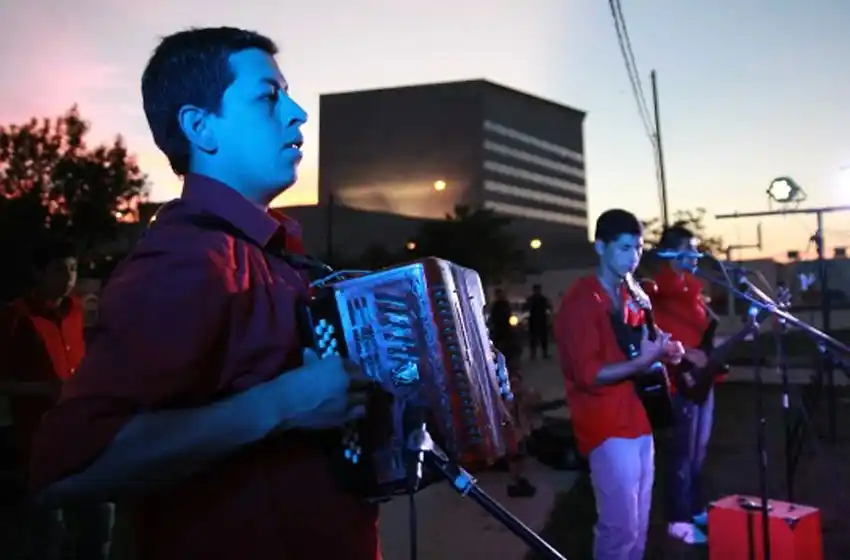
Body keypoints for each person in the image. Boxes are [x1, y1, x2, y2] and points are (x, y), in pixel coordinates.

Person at [29, 27, 379, 560]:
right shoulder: (186, 262)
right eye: (268, 96)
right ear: (200, 126)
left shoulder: (277, 254)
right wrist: (281, 404)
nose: (296, 114)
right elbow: (67, 468)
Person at [554, 209, 685, 560]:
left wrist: (664, 351)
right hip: (606, 426)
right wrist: (643, 360)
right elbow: (589, 374)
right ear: (600, 247)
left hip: (640, 420)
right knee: (618, 528)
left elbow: (637, 348)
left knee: (639, 526)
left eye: (639, 248)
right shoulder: (581, 302)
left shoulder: (631, 297)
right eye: (624, 248)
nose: (633, 257)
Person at [0, 237, 113, 559]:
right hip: (38, 440)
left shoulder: (77, 310)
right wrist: (45, 388)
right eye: (59, 271)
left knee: (100, 519)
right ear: (38, 272)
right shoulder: (16, 317)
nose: (68, 279)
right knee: (48, 531)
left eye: (73, 269)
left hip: (82, 432)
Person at [649, 225, 715, 545]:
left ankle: (695, 508)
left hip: (701, 381)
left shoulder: (694, 291)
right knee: (681, 454)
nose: (697, 254)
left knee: (698, 451)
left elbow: (702, 335)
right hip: (678, 383)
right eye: (691, 248)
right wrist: (687, 353)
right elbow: (654, 333)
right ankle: (678, 519)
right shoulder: (657, 291)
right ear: (674, 252)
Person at [488, 289, 537, 498]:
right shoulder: (502, 344)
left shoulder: (502, 331)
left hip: (509, 399)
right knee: (514, 442)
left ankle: (515, 475)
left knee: (516, 439)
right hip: (507, 406)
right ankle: (515, 479)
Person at [525, 284, 551, 359]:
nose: (537, 291)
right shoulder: (532, 299)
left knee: (543, 337)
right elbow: (526, 308)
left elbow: (548, 308)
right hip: (534, 319)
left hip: (541, 319)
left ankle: (544, 353)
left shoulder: (542, 299)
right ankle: (534, 354)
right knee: (533, 338)